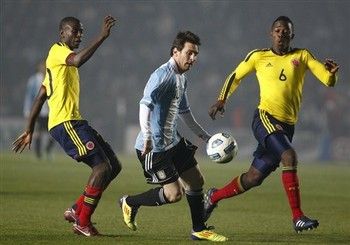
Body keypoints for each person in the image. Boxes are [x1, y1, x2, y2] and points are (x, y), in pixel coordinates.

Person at [206, 16, 339, 233]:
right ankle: (297, 217)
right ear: (271, 33)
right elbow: (235, 76)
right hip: (265, 118)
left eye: (285, 31)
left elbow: (326, 80)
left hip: (287, 126)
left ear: (291, 36)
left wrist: (332, 75)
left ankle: (213, 196)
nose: (281, 34)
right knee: (289, 156)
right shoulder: (258, 56)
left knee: (254, 177)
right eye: (277, 30)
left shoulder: (302, 56)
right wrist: (223, 98)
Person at [12, 16, 121, 237]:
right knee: (101, 168)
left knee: (114, 165)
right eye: (75, 31)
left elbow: (41, 96)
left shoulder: (58, 66)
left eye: (81, 32)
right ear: (62, 33)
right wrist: (101, 36)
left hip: (74, 120)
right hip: (65, 122)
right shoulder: (58, 51)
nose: (79, 35)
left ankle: (76, 210)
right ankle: (83, 222)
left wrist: (29, 129)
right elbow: (78, 60)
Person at [119, 31, 228, 242]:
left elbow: (185, 113)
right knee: (173, 195)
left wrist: (206, 137)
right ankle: (130, 202)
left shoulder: (181, 78)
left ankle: (199, 229)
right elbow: (144, 105)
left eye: (196, 54)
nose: (193, 58)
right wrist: (149, 137)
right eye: (189, 53)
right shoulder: (161, 76)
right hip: (154, 148)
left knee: (196, 181)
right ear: (175, 52)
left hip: (174, 142)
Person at [23, 61, 55, 160]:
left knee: (53, 133)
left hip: (50, 111)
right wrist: (27, 110)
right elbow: (29, 96)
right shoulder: (33, 80)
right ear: (39, 67)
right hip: (38, 111)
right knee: (37, 132)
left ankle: (48, 150)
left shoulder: (52, 78)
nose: (44, 68)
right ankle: (38, 154)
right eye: (42, 66)